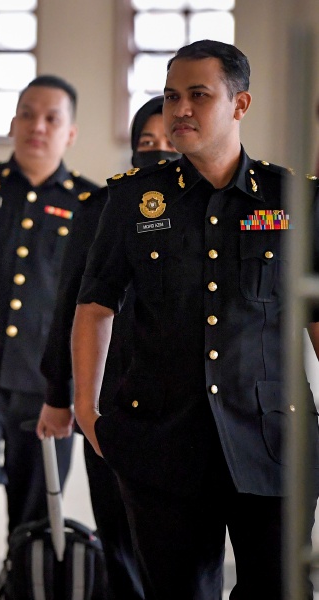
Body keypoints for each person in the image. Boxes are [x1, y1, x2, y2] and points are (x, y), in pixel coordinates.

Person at [73, 39, 319, 599]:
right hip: (162, 440)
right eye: (171, 96)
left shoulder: (293, 200)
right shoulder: (135, 200)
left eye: (198, 95)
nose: (180, 108)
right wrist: (89, 411)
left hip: (273, 437)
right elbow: (94, 307)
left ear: (240, 104)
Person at [0, 75, 98, 600]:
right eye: (28, 114)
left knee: (38, 496)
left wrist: (82, 389)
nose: (38, 126)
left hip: (47, 382)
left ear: (70, 133)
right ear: (13, 122)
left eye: (52, 117)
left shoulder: (90, 204)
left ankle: (20, 581)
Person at [36, 95, 179, 600]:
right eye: (146, 143)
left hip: (185, 404)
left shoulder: (216, 207)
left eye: (168, 143)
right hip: (112, 396)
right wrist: (61, 392)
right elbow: (70, 307)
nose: (158, 152)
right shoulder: (103, 208)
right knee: (118, 533)